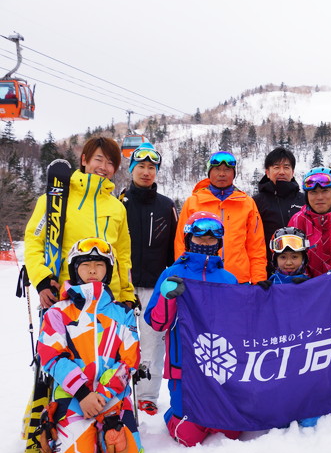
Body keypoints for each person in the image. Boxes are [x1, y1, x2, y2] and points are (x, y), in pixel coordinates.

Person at [36, 238, 143, 453]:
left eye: (100, 264)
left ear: (109, 270)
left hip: (111, 397)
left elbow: (130, 360)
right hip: (73, 397)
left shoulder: (122, 313)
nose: (92, 270)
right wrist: (84, 394)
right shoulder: (58, 312)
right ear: (75, 269)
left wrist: (102, 395)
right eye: (85, 264)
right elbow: (52, 356)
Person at [146, 212, 242, 446]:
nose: (205, 244)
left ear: (219, 243)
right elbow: (157, 323)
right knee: (187, 435)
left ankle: (212, 415)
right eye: (200, 239)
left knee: (231, 432)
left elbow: (240, 323)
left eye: (211, 240)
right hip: (183, 365)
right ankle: (176, 416)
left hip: (218, 362)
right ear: (189, 240)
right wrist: (167, 298)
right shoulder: (172, 274)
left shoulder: (228, 279)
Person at [24, 137, 135, 309]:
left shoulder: (117, 208)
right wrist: (42, 280)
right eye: (98, 159)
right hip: (65, 297)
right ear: (84, 159)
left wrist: (127, 293)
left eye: (110, 163)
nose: (103, 167)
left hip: (109, 299)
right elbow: (34, 242)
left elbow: (123, 255)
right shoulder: (55, 200)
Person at [119, 142, 178, 416]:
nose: (146, 172)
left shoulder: (166, 206)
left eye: (151, 167)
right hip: (122, 287)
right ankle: (119, 392)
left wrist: (173, 281)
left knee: (153, 343)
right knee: (121, 342)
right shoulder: (119, 203)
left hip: (155, 287)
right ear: (131, 169)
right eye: (140, 166)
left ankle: (147, 396)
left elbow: (174, 250)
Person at [256, 227, 320, 427]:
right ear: (274, 260)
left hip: (304, 361)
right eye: (283, 257)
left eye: (295, 256)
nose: (289, 262)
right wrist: (256, 297)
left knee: (309, 421)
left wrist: (307, 292)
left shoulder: (317, 288)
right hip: (276, 360)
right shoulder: (265, 289)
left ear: (304, 259)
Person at [174, 151, 267, 284]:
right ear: (209, 172)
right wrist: (181, 275)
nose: (222, 174)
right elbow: (181, 243)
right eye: (217, 169)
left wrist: (259, 279)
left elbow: (256, 246)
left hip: (239, 280)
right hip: (201, 278)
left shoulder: (247, 203)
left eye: (227, 169)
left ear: (234, 173)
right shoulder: (193, 202)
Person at [288, 167, 331, 277]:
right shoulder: (298, 221)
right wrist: (299, 276)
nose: (319, 197)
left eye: (325, 191)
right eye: (313, 192)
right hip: (310, 288)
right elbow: (288, 257)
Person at [252, 147, 306, 276]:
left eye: (286, 167)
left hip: (302, 272)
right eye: (276, 167)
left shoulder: (304, 201)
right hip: (268, 273)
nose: (281, 172)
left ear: (292, 172)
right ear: (267, 172)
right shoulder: (255, 203)